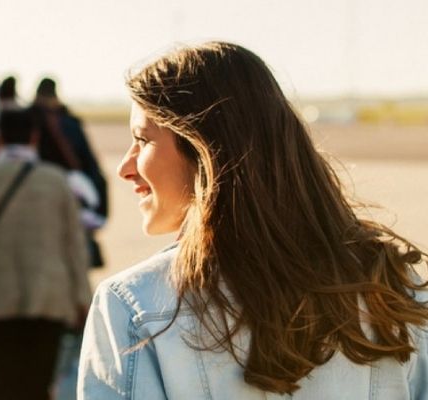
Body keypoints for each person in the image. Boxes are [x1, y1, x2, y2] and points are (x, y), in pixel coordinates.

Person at [78, 41, 428, 399]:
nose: (125, 168)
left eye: (142, 139)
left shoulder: (135, 307)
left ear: (204, 148)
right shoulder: (391, 288)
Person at [0, 109, 92, 400]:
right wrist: (82, 298)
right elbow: (75, 246)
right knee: (37, 387)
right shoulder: (57, 181)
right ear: (34, 138)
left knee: (1, 384)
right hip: (49, 298)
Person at [29, 77, 109, 267]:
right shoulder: (70, 123)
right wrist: (98, 213)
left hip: (36, 200)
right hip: (73, 200)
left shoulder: (28, 121)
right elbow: (92, 168)